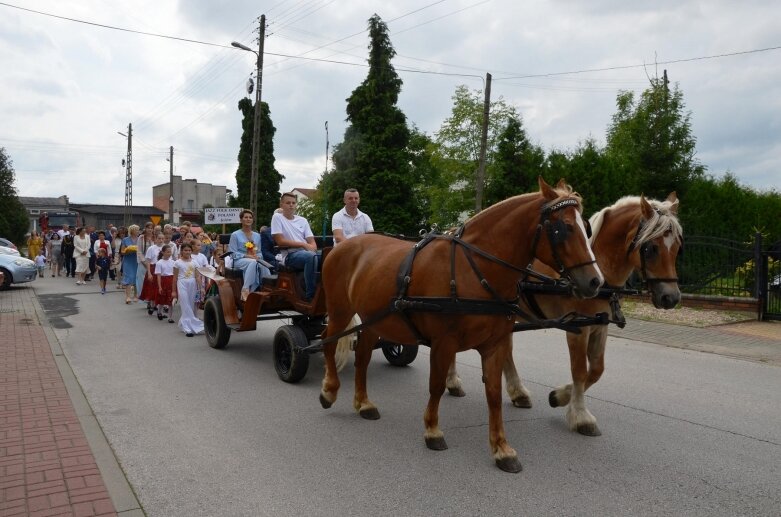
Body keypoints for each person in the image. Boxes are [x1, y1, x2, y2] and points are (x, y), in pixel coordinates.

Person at [271, 192, 318, 302]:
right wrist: (303, 244)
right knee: (310, 257)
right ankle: (310, 295)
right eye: (288, 203)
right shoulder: (277, 217)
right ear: (281, 204)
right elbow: (280, 241)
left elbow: (312, 242)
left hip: (307, 252)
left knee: (329, 256)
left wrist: (312, 248)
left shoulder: (303, 220)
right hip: (290, 255)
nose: (291, 205)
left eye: (293, 203)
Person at [229, 210, 272, 302]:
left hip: (254, 259)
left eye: (250, 217)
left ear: (253, 220)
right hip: (239, 260)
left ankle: (268, 289)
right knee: (253, 262)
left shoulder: (257, 235)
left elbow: (259, 251)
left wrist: (258, 256)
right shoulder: (235, 235)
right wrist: (247, 256)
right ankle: (246, 289)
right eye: (246, 217)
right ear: (241, 220)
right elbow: (232, 253)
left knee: (265, 265)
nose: (248, 219)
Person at [172, 242, 204, 337]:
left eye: (189, 250)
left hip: (192, 283)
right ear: (181, 251)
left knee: (190, 304)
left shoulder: (194, 262)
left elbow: (198, 276)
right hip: (182, 283)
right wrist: (174, 291)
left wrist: (201, 288)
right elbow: (175, 277)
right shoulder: (177, 262)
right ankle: (187, 329)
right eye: (185, 250)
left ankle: (185, 324)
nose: (187, 252)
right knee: (185, 304)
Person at [140, 233, 163, 314]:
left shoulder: (165, 248)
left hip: (162, 270)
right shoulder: (151, 248)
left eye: (162, 239)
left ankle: (158, 305)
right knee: (152, 287)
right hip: (153, 268)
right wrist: (149, 272)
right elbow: (148, 261)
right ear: (155, 239)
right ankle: (152, 304)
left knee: (159, 288)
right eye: (159, 238)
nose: (160, 240)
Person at [155, 244, 175, 321]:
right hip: (163, 281)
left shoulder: (173, 262)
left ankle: (170, 317)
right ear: (163, 252)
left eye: (170, 252)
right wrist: (160, 286)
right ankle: (159, 312)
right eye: (167, 252)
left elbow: (175, 273)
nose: (169, 253)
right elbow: (159, 276)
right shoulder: (159, 263)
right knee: (162, 299)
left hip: (171, 281)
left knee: (171, 300)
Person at [120, 225, 140, 303]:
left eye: (138, 230)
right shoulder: (125, 240)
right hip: (128, 261)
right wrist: (127, 251)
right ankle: (128, 297)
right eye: (136, 230)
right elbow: (122, 251)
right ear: (132, 231)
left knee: (136, 277)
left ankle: (135, 296)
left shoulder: (140, 239)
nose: (138, 232)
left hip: (137, 260)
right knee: (128, 277)